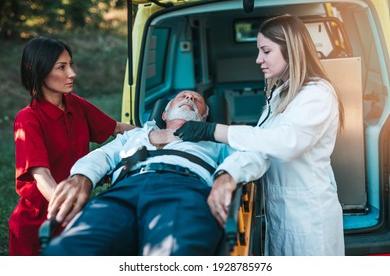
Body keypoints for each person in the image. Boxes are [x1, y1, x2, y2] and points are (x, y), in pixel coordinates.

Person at [174, 15, 345, 256]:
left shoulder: (317, 94)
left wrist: (213, 130)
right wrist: (228, 172)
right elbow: (260, 144)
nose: (258, 59)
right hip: (282, 211)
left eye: (266, 51)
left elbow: (286, 143)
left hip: (309, 216)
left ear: (291, 50)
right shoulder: (281, 93)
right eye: (259, 51)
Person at [41, 90, 268, 256]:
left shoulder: (214, 139)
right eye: (182, 96)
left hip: (183, 192)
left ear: (205, 116)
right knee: (69, 252)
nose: (189, 98)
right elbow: (102, 155)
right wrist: (82, 176)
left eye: (197, 100)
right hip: (121, 194)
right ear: (165, 112)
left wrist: (227, 174)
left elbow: (256, 153)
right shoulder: (135, 135)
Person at [9, 36, 135, 256]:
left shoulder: (75, 103)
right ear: (39, 71)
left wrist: (153, 134)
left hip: (75, 213)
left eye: (70, 65)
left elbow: (116, 128)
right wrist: (72, 212)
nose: (72, 73)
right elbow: (42, 177)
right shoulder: (28, 119)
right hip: (41, 223)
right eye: (61, 67)